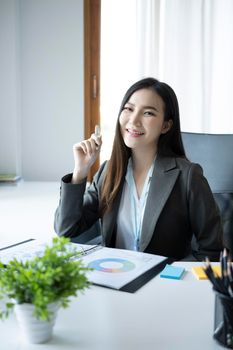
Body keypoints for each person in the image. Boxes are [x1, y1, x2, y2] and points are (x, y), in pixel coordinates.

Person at [54, 77, 223, 261]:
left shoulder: (187, 176)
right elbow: (67, 230)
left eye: (148, 113)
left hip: (164, 284)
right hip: (114, 277)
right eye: (129, 109)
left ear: (166, 125)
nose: (133, 120)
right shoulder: (108, 172)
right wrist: (80, 172)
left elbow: (212, 251)